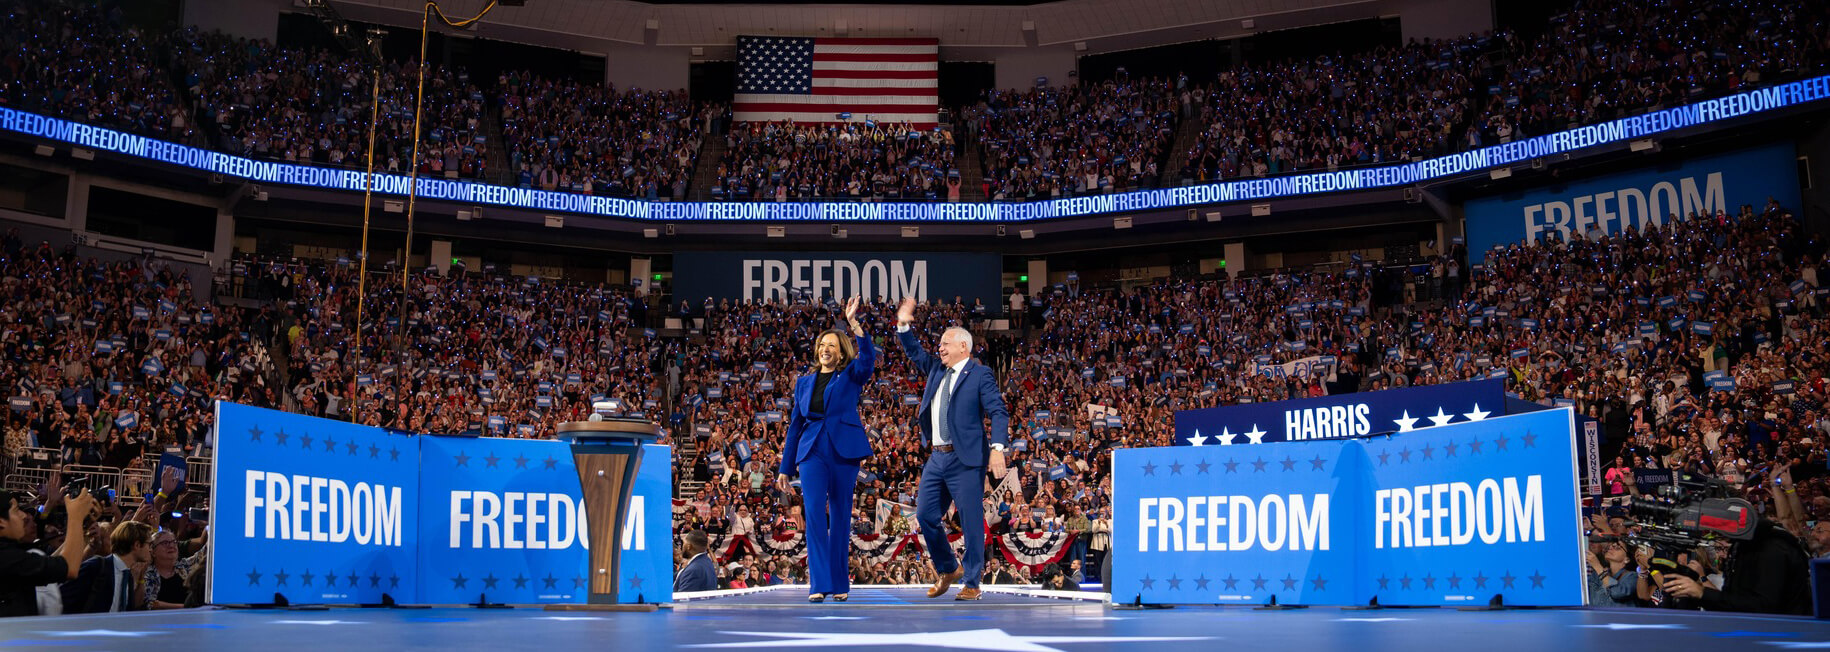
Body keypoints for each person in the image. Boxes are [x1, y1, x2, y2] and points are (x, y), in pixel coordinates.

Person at [895, 297, 1010, 601]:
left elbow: (998, 411)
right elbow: (913, 350)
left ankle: (972, 581)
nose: (940, 348)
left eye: (946, 343)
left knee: (971, 521)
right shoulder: (935, 369)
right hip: (936, 457)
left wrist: (997, 448)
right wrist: (904, 323)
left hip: (966, 459)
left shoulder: (980, 374)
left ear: (964, 347)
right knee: (926, 515)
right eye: (940, 344)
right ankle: (949, 567)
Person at [776, 297, 876, 603]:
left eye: (832, 345)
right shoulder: (803, 383)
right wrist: (785, 467)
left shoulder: (850, 375)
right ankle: (818, 584)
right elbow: (795, 424)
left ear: (841, 350)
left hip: (844, 452)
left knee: (842, 516)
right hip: (811, 452)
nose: (826, 349)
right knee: (816, 515)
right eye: (822, 344)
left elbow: (868, 359)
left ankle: (839, 583)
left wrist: (854, 324)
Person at [0, 490, 95, 617]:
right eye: (16, 510)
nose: (23, 516)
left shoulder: (12, 552)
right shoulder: (6, 557)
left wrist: (81, 525)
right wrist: (76, 517)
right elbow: (69, 567)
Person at [61, 520, 154, 613]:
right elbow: (63, 598)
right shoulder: (96, 566)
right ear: (137, 545)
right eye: (149, 544)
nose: (150, 549)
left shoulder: (128, 575)